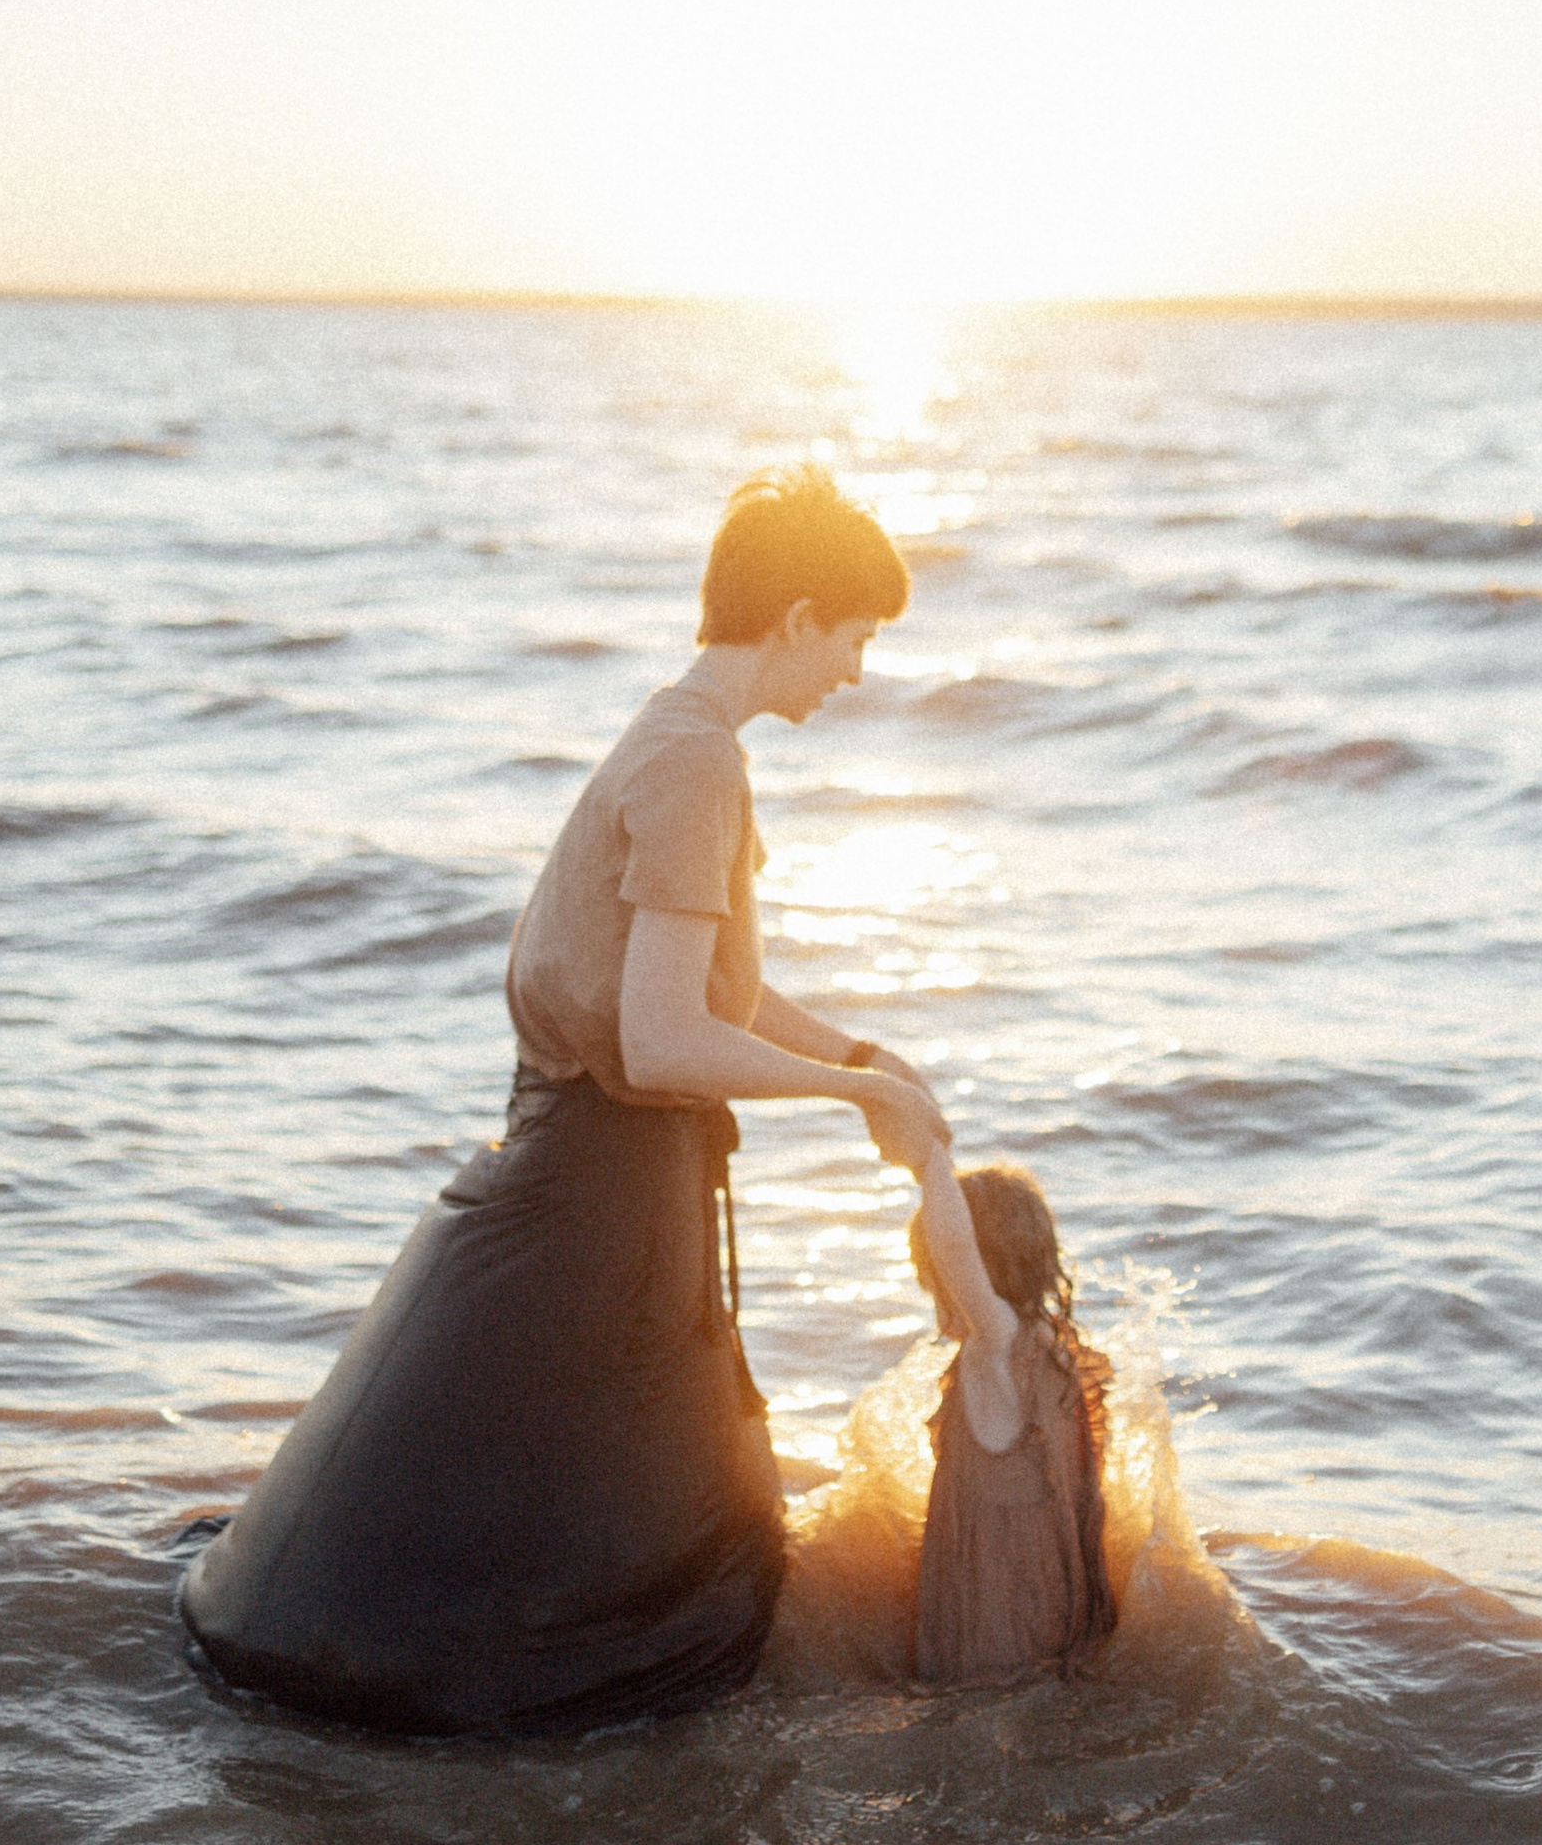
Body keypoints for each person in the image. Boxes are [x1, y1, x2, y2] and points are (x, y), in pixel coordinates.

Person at [180, 465, 950, 1736]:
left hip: (598, 1179)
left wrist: (859, 1049)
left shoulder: (677, 738)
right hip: (596, 1194)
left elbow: (702, 992)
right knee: (580, 1576)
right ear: (800, 615)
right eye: (858, 636)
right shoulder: (698, 765)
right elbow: (658, 1041)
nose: (858, 671)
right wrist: (848, 1090)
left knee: (536, 1519)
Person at [900, 1141, 1117, 1686]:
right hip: (1050, 1586)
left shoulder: (996, 1345)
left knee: (979, 1705)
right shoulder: (1052, 1345)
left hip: (1000, 1607)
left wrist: (929, 1161)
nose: (937, 1297)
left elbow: (953, 1245)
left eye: (935, 1284)